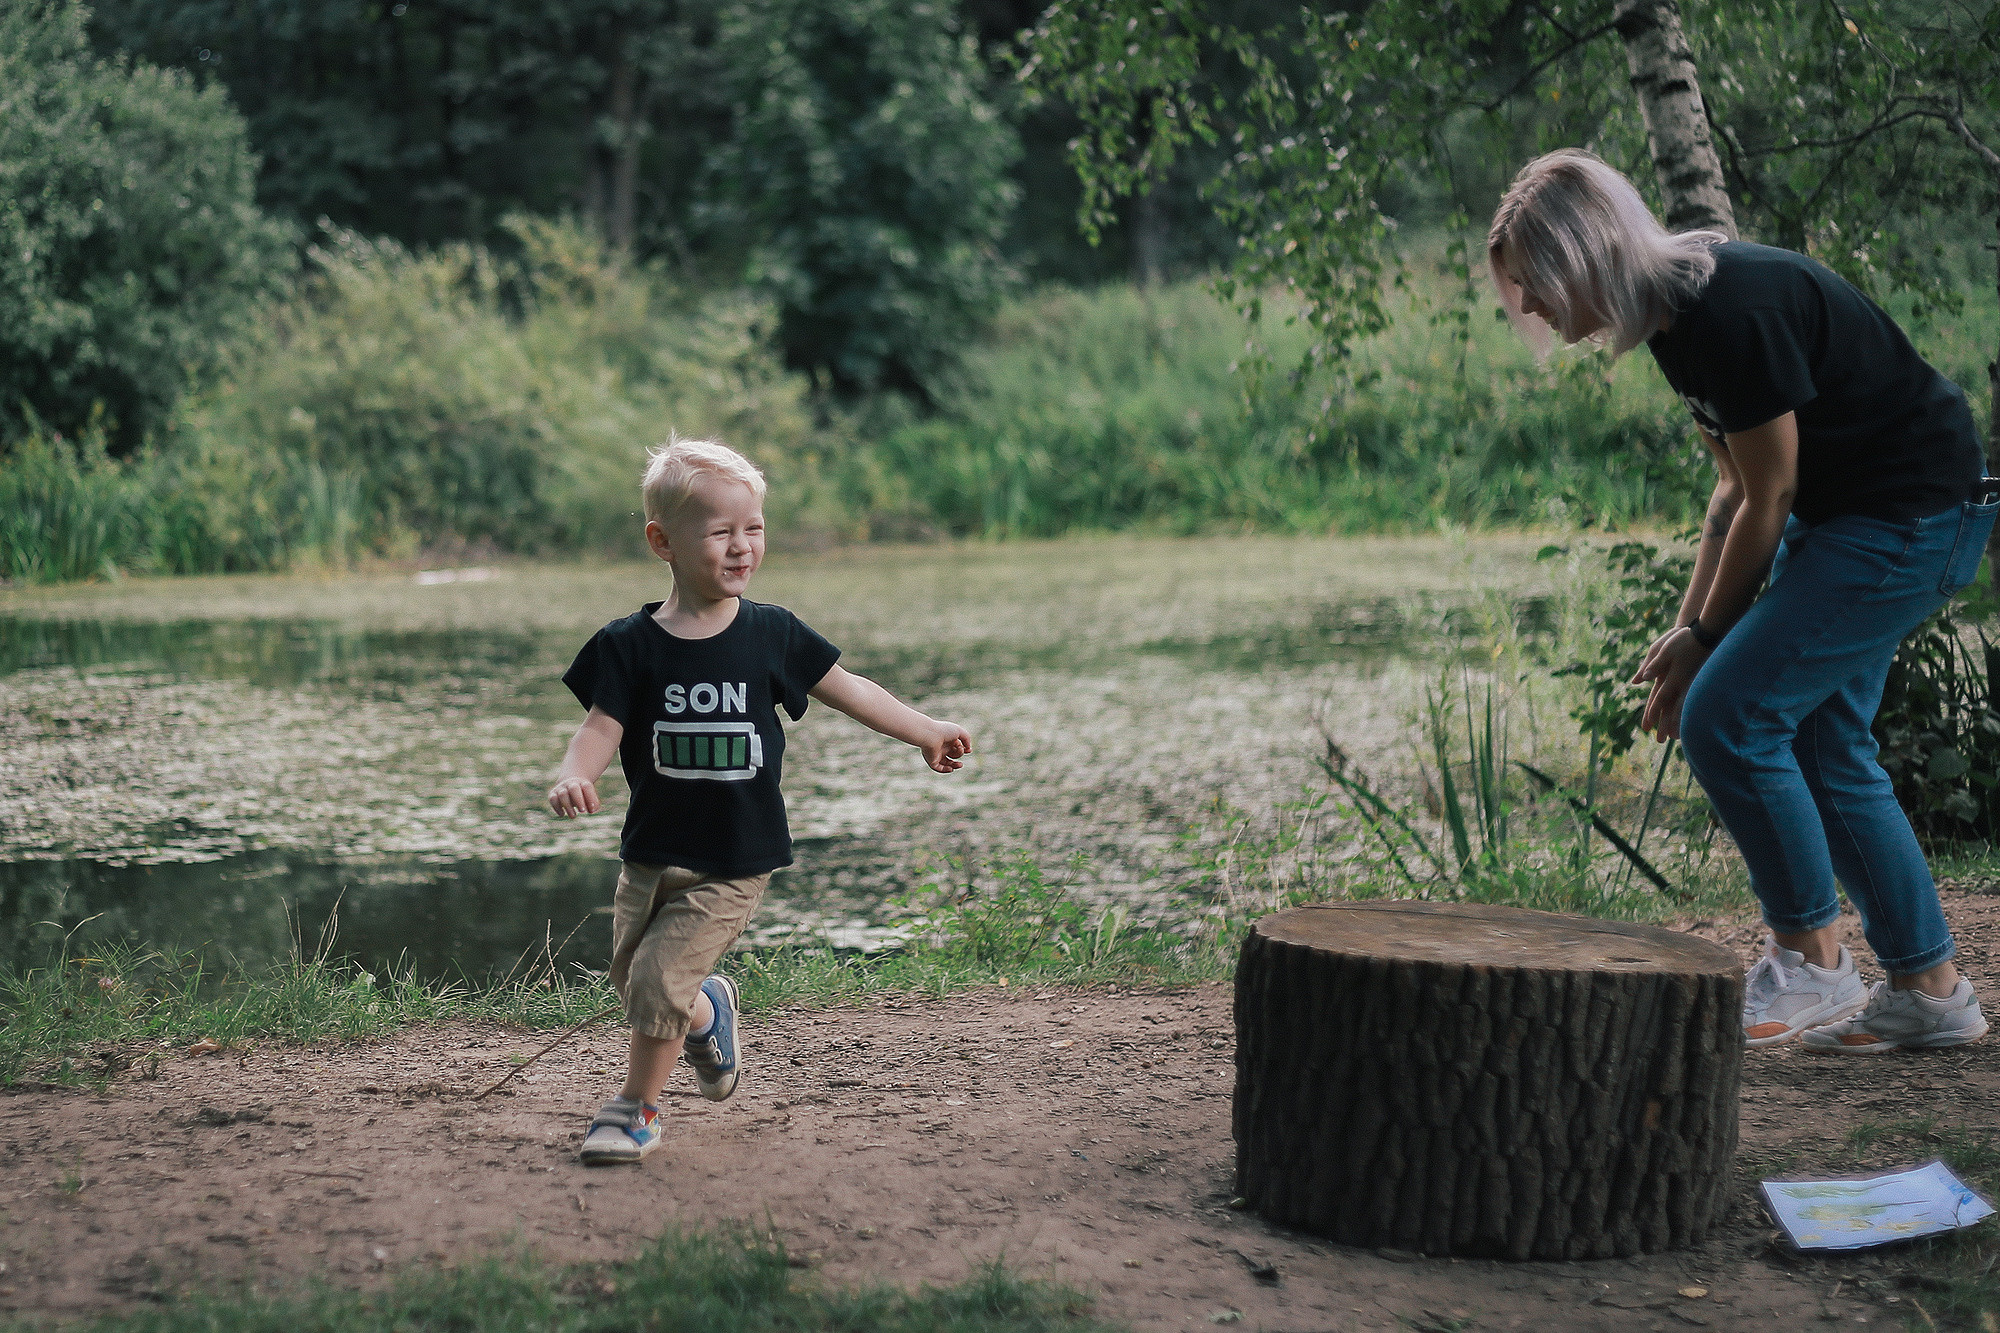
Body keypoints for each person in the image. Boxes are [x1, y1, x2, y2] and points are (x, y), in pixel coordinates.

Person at [1488, 148, 1995, 1053]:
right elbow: (1731, 493)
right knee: (1819, 734)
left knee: (1733, 714)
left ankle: (1813, 962)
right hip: (1858, 515)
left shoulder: (1728, 311)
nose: (1528, 307)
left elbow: (1774, 496)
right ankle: (1930, 989)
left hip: (1909, 514)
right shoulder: (1674, 320)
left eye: (1534, 284)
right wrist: (1689, 633)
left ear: (1583, 257)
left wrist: (1710, 647)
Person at [549, 438, 973, 1163]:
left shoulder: (772, 633)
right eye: (721, 532)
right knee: (635, 979)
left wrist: (924, 729)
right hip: (652, 851)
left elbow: (854, 690)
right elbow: (600, 726)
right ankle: (710, 1010)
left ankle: (637, 1109)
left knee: (657, 978)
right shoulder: (627, 645)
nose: (743, 547)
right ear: (664, 541)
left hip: (734, 858)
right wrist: (572, 772)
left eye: (755, 529)